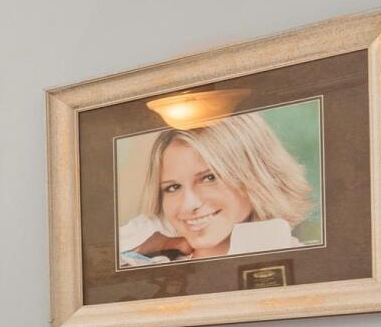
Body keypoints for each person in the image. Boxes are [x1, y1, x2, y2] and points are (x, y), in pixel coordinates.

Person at [118, 111, 315, 263]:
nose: (188, 205)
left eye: (209, 178)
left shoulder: (302, 261)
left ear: (254, 175)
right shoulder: (146, 264)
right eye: (173, 187)